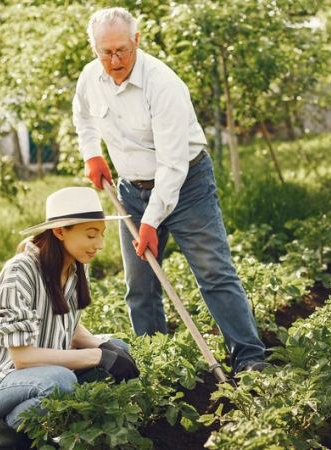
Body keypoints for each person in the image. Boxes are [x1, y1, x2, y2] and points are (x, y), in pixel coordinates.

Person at [72, 7, 268, 374]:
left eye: (122, 51)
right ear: (94, 48)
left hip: (186, 184)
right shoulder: (90, 78)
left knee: (213, 272)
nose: (114, 61)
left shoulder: (162, 85)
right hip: (131, 190)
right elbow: (82, 116)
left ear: (137, 41)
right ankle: (157, 366)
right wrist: (92, 155)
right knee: (140, 285)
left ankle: (249, 358)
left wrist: (151, 222)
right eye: (105, 52)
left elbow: (173, 165)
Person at [0, 187, 139, 448]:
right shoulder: (21, 271)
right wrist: (96, 356)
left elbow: (68, 326)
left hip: (34, 375)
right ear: (60, 232)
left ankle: (58, 433)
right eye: (91, 234)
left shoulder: (75, 268)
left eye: (102, 235)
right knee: (61, 380)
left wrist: (105, 348)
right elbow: (22, 358)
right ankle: (6, 437)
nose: (100, 244)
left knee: (119, 349)